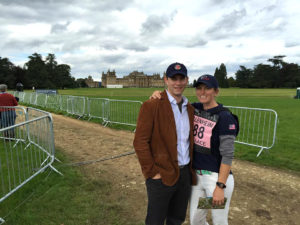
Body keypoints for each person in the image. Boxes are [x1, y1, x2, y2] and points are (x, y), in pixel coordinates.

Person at [150, 75, 237, 225]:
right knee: (196, 219)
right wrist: (158, 95)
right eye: (199, 88)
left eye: (207, 88)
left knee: (219, 220)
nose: (202, 92)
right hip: (197, 179)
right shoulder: (193, 109)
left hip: (216, 180)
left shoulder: (225, 117)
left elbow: (228, 155)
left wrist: (220, 186)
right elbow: (173, 103)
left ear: (216, 91)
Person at [133, 62, 196, 225]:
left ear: (187, 80)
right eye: (173, 78)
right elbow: (140, 142)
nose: (178, 82)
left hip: (184, 175)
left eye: (181, 78)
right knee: (155, 221)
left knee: (177, 219)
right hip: (161, 175)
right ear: (166, 80)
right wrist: (152, 172)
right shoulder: (152, 105)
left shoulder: (190, 109)